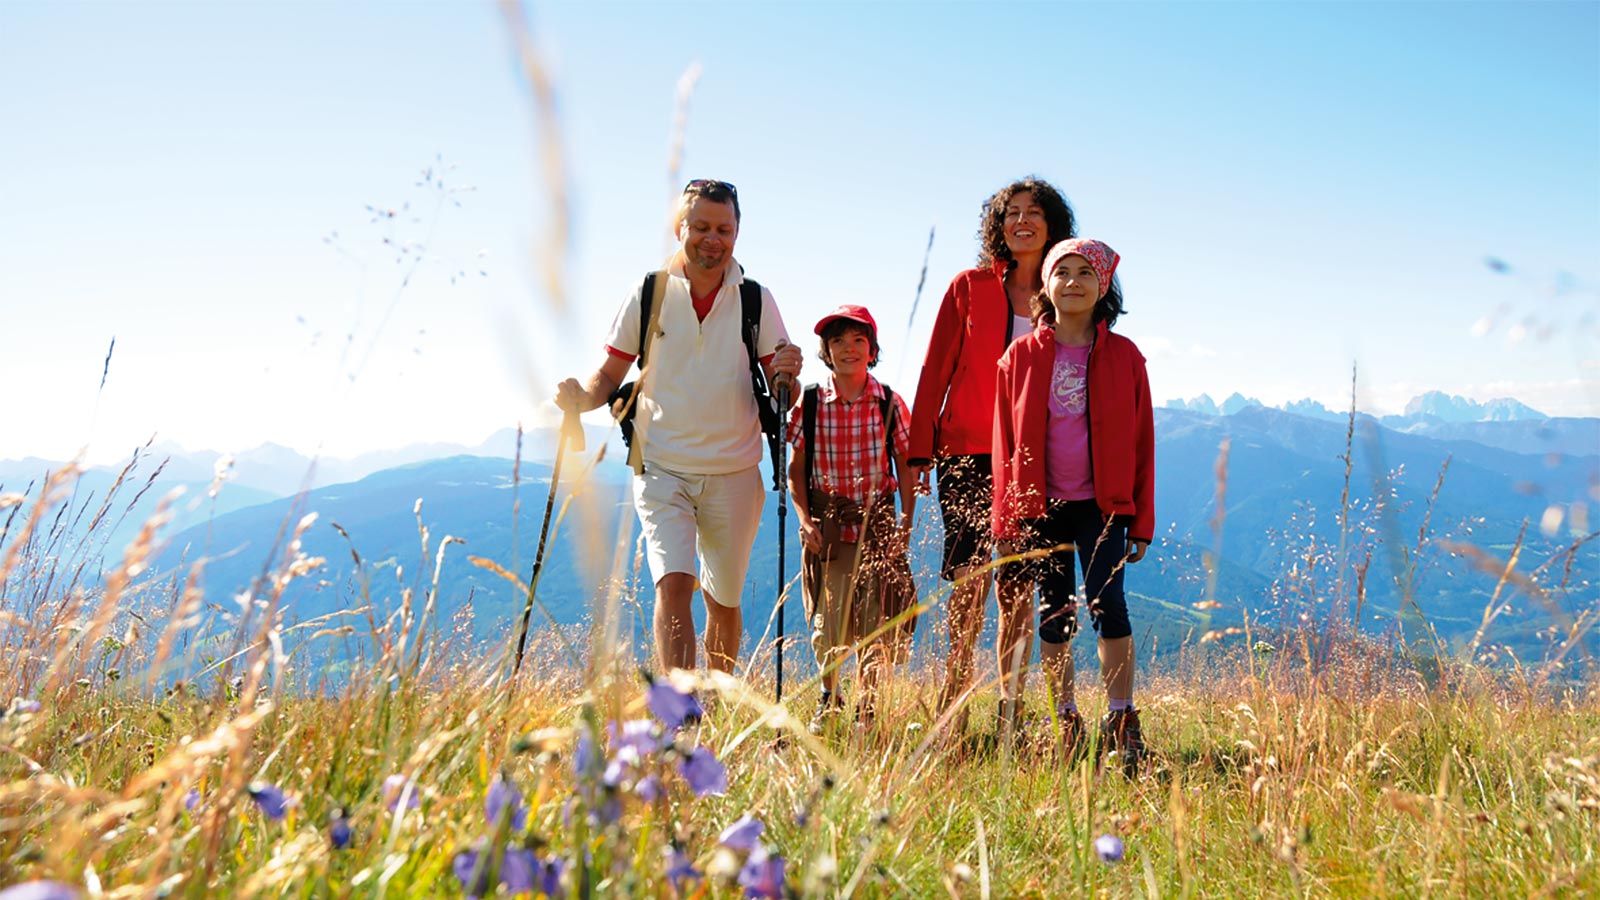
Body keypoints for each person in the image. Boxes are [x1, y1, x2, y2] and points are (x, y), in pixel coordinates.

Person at [555, 179, 803, 674]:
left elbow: (783, 395)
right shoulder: (648, 293)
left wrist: (788, 374)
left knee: (723, 601)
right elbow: (609, 375)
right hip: (661, 465)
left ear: (737, 233)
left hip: (735, 471)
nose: (713, 238)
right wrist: (580, 400)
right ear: (679, 228)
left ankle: (715, 703)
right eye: (702, 226)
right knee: (673, 584)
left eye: (724, 229)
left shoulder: (755, 299)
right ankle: (678, 715)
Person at [906, 177, 1076, 735]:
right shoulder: (969, 286)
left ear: (1052, 225)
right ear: (997, 226)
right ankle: (953, 705)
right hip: (968, 451)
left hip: (1039, 459)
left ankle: (1011, 712)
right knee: (968, 583)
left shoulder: (1067, 292)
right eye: (1011, 214)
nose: (1021, 222)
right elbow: (934, 369)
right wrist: (919, 451)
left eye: (1034, 213)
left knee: (1018, 589)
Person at [991, 238, 1154, 773]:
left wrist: (1141, 519)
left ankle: (1120, 716)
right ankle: (1065, 715)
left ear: (1104, 285)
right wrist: (1006, 518)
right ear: (1046, 285)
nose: (1074, 281)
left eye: (1086, 272)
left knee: (1111, 608)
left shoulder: (1126, 357)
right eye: (1062, 271)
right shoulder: (1020, 356)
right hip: (1041, 507)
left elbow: (1142, 443)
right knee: (1054, 612)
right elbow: (1004, 443)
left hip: (1103, 507)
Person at [785, 305, 916, 733]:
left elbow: (906, 465)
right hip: (828, 529)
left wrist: (907, 524)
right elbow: (796, 471)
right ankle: (831, 698)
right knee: (829, 616)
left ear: (872, 349)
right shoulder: (809, 402)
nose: (849, 349)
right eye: (838, 341)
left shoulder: (890, 402)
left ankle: (868, 707)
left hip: (875, 526)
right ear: (826, 351)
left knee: (876, 619)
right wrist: (804, 522)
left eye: (858, 340)